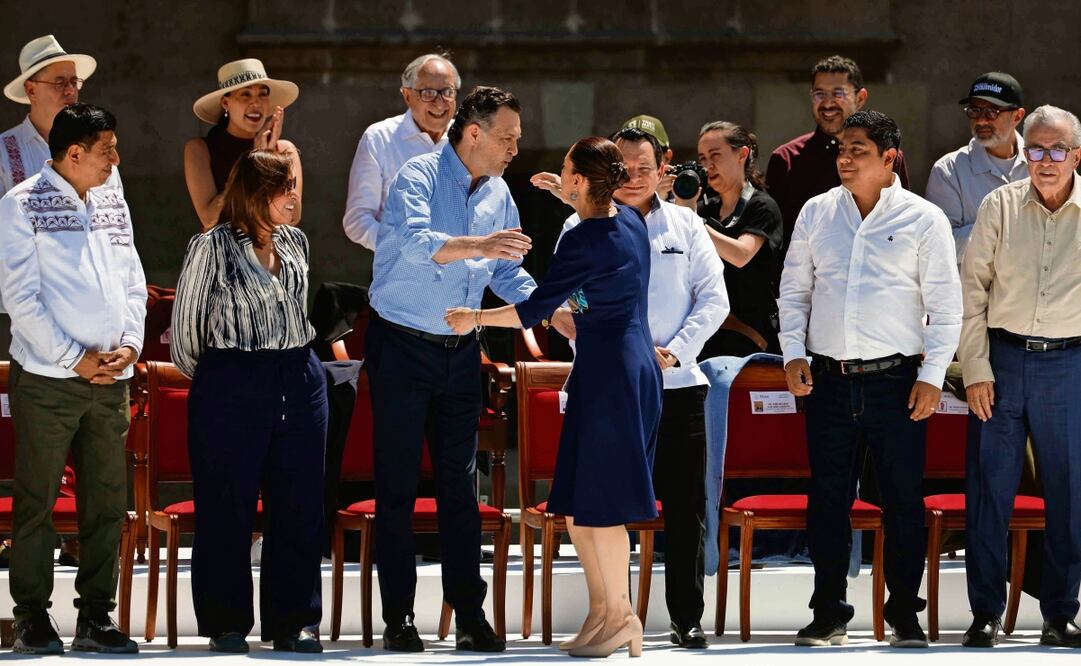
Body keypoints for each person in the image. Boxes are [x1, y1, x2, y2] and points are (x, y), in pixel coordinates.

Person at [447, 136, 662, 659]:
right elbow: (598, 236)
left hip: (611, 371)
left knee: (602, 505)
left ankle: (622, 615)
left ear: (584, 182)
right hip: (619, 365)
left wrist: (472, 317)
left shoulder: (582, 240)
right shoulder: (631, 219)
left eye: (565, 171)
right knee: (581, 504)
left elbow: (531, 308)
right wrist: (566, 194)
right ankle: (604, 611)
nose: (556, 175)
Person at [532, 123, 728, 649]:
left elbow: (715, 300)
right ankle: (611, 613)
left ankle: (686, 618)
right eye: (627, 168)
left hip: (678, 382)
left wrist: (675, 350)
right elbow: (572, 297)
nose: (636, 177)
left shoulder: (686, 226)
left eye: (646, 168)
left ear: (663, 168)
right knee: (598, 502)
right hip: (608, 381)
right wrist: (579, 320)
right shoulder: (581, 226)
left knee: (684, 507)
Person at [779, 110, 961, 648]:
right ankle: (829, 612)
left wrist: (931, 376)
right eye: (841, 148)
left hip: (897, 382)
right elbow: (794, 292)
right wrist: (792, 354)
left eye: (858, 149)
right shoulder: (816, 212)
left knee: (903, 502)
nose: (845, 157)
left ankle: (905, 613)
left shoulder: (924, 219)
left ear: (888, 159)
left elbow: (946, 309)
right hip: (829, 380)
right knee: (827, 500)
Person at [365, 86, 535, 654]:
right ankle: (399, 618)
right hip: (402, 346)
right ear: (473, 134)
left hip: (461, 351)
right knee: (396, 487)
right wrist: (479, 244)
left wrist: (553, 311)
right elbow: (415, 244)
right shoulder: (416, 175)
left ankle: (470, 615)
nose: (515, 147)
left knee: (461, 489)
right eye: (507, 137)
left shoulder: (501, 192)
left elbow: (507, 273)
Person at [0, 103, 144, 654]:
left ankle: (96, 618)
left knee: (106, 502)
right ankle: (32, 617)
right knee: (36, 501)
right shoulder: (22, 205)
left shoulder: (112, 194)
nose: (116, 157)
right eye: (106, 148)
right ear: (75, 152)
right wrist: (72, 357)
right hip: (48, 380)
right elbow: (21, 298)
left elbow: (133, 276)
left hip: (111, 379)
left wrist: (130, 343)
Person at [171, 150, 325, 654]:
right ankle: (226, 622)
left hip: (299, 376)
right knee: (226, 504)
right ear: (258, 194)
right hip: (232, 379)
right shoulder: (210, 246)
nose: (295, 197)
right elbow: (186, 337)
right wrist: (226, 380)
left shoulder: (297, 242)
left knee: (299, 504)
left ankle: (295, 621)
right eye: (286, 188)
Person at [957, 104, 1081, 649]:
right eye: (1036, 151)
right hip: (1002, 363)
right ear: (1024, 154)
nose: (1046, 162)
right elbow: (971, 295)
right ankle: (984, 613)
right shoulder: (998, 206)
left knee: (1071, 495)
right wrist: (977, 369)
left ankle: (1060, 614)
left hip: (1071, 365)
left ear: (1076, 155)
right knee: (990, 492)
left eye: (1057, 151)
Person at [1, 34, 115, 569]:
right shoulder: (6, 153)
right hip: (27, 327)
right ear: (30, 91)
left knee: (102, 490)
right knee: (38, 478)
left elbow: (121, 259)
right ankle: (31, 603)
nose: (71, 91)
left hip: (97, 351)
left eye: (76, 82)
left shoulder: (101, 162)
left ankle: (95, 605)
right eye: (60, 82)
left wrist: (126, 339)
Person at [767, 55, 909, 262]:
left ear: (860, 98)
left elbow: (902, 224)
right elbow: (777, 243)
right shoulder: (785, 159)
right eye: (819, 94)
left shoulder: (887, 156)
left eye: (838, 93)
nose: (827, 103)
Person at [343, 53, 460, 250]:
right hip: (397, 271)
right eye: (428, 93)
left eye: (447, 92)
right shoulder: (379, 138)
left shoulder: (469, 139)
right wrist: (402, 250)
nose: (439, 103)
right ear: (407, 96)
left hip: (459, 272)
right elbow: (358, 219)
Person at [692, 121, 783, 357]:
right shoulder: (705, 209)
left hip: (750, 339)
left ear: (742, 154)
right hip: (705, 337)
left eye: (715, 156)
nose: (707, 166)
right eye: (702, 158)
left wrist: (691, 221)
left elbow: (741, 255)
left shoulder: (762, 205)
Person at [184, 58, 301, 231]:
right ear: (226, 103)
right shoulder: (200, 149)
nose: (256, 103)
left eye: (263, 94)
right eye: (245, 94)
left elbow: (293, 216)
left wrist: (269, 163)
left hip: (272, 253)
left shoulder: (284, 150)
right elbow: (210, 219)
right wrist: (255, 163)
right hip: (224, 254)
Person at [925, 73, 1027, 264]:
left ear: (1017, 116)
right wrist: (1005, 229)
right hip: (976, 293)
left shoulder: (1043, 164)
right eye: (974, 111)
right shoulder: (948, 171)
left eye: (992, 112)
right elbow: (939, 246)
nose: (981, 121)